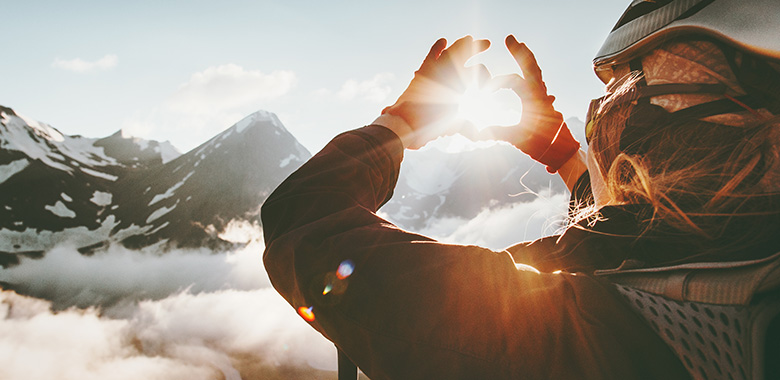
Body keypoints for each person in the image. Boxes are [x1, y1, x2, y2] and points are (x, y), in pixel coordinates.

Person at [262, 0, 780, 378]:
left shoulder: (567, 335)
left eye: (632, 85)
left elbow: (304, 221)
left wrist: (398, 123)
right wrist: (567, 159)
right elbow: (646, 248)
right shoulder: (746, 265)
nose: (609, 108)